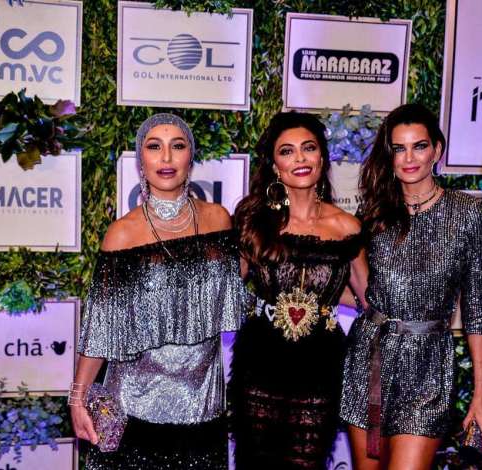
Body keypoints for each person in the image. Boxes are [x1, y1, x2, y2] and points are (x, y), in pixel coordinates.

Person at [69, 113, 244, 470]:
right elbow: (101, 329)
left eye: (177, 146)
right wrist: (77, 397)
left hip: (203, 407)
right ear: (141, 161)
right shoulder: (122, 234)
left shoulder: (218, 220)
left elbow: (230, 290)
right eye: (154, 146)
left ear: (190, 157)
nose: (166, 157)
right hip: (135, 409)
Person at [340, 104, 482, 470]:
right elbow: (362, 290)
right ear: (389, 155)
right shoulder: (373, 214)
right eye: (399, 148)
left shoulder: (469, 213)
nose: (409, 158)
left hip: (428, 366)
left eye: (419, 146)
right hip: (370, 359)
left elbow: (475, 309)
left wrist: (481, 394)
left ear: (436, 150)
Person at [230, 111, 367, 469]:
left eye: (308, 148)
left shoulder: (348, 227)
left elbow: (370, 300)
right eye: (287, 151)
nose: (300, 159)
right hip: (260, 362)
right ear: (275, 165)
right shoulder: (254, 219)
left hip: (320, 367)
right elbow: (226, 288)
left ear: (322, 157)